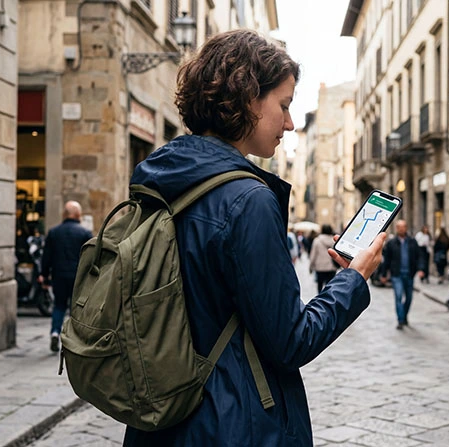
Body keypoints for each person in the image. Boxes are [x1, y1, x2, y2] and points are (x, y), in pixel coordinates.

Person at [121, 30, 385, 445]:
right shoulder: (247, 200)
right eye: (284, 105)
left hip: (160, 417)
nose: (290, 123)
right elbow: (292, 341)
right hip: (231, 423)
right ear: (248, 98)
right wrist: (354, 279)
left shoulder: (162, 177)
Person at [38, 201, 92, 353]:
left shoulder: (54, 233)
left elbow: (46, 257)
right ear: (78, 215)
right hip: (78, 278)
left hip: (59, 276)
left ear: (64, 214)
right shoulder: (85, 234)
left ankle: (55, 332)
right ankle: (73, 339)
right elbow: (91, 257)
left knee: (59, 306)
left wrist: (44, 275)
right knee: (76, 309)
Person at [381, 220, 424, 329]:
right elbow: (386, 260)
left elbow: (419, 256)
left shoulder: (412, 242)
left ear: (406, 228)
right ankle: (400, 320)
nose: (401, 229)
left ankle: (404, 316)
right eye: (399, 227)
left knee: (409, 298)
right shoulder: (391, 243)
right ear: (396, 228)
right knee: (398, 296)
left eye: (403, 226)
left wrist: (420, 269)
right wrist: (384, 274)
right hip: (397, 275)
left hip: (409, 274)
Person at [309, 224, 338, 294]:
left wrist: (311, 266)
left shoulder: (317, 240)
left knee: (320, 284)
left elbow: (313, 254)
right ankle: (329, 297)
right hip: (331, 267)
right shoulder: (333, 240)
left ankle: (320, 296)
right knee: (330, 285)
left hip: (320, 267)